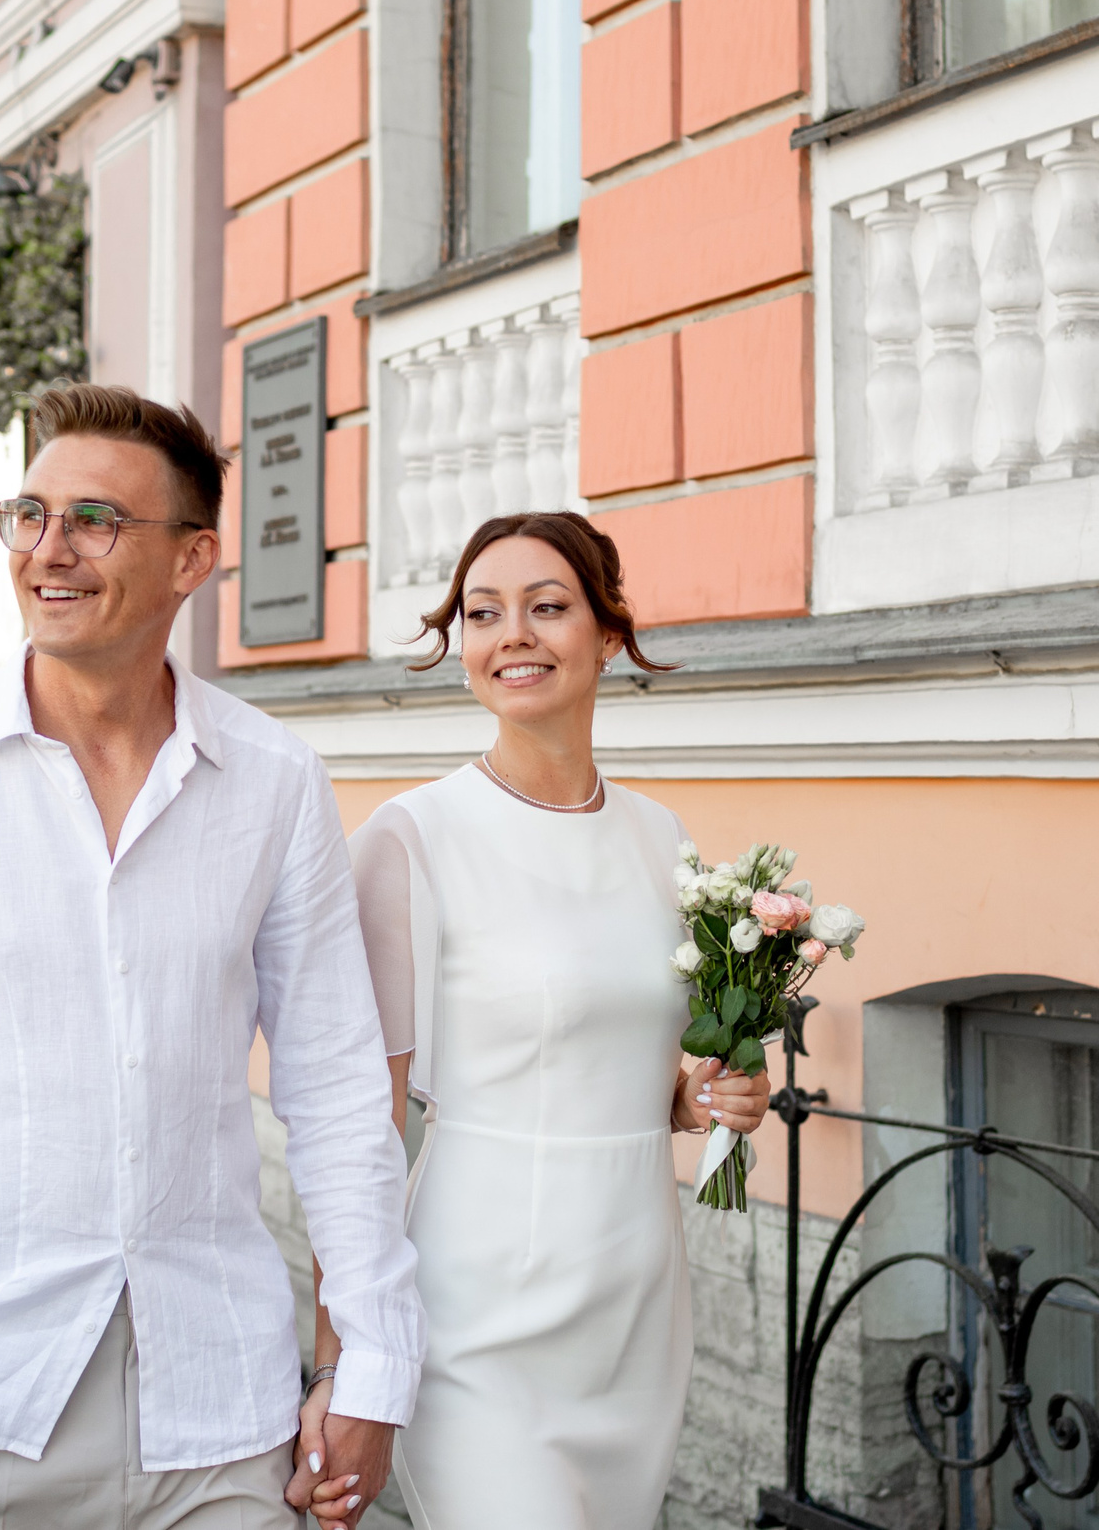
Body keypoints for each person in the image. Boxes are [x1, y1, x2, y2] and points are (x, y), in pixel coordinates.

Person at [0, 383, 422, 1530]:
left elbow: (331, 1090)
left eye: (95, 520)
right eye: (30, 515)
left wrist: (368, 1363)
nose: (49, 550)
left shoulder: (274, 784)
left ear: (194, 559)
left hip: (219, 1407)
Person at [292, 512, 772, 1529]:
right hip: (477, 1312)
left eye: (547, 607)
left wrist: (703, 1097)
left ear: (607, 635)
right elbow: (360, 1128)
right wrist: (344, 1366)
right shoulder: (411, 840)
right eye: (482, 613)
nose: (511, 633)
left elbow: (626, 1060)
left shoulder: (661, 837)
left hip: (635, 1305)